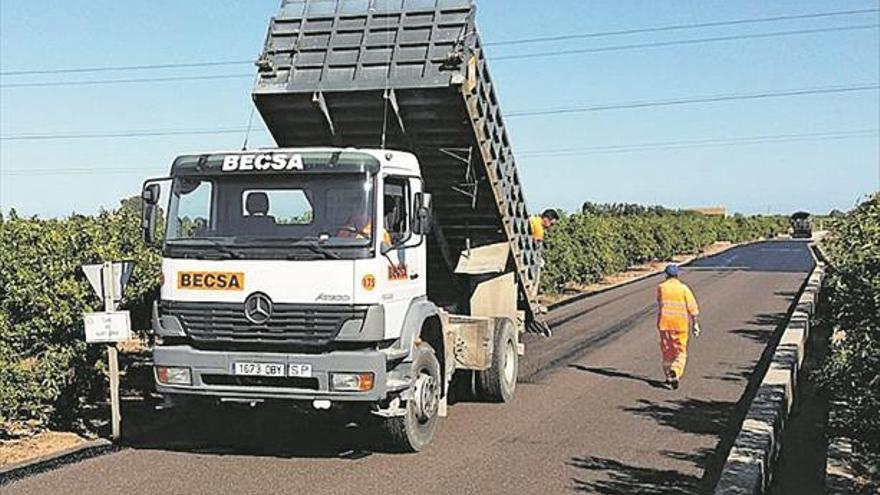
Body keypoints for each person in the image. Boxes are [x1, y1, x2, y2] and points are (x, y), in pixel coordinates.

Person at [656, 264, 701, 390]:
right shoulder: (683, 289)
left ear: (666, 274)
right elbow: (692, 307)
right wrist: (695, 323)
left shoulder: (661, 288)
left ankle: (668, 377)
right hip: (680, 326)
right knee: (680, 352)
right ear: (677, 275)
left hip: (664, 325)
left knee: (667, 352)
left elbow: (660, 303)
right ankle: (675, 370)